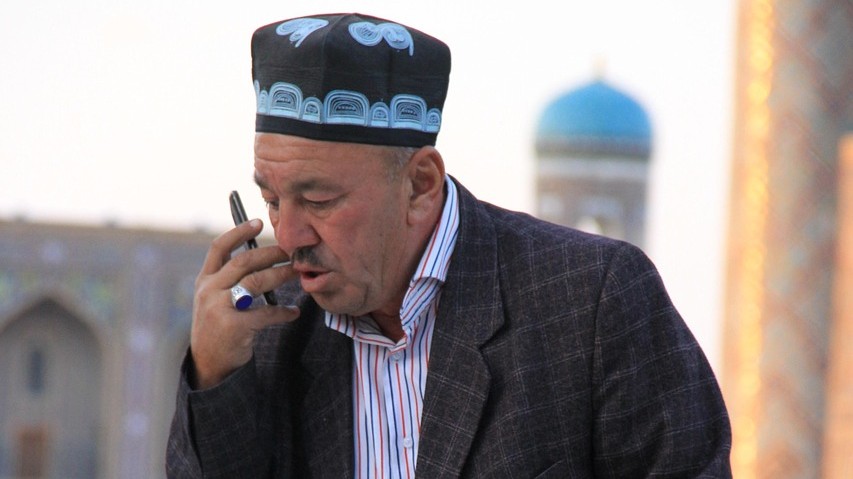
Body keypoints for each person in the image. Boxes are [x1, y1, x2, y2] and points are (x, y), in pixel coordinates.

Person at [166, 12, 732, 478]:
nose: (289, 237)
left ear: (420, 184)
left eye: (318, 201)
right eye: (271, 200)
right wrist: (215, 379)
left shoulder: (589, 303)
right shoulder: (267, 332)